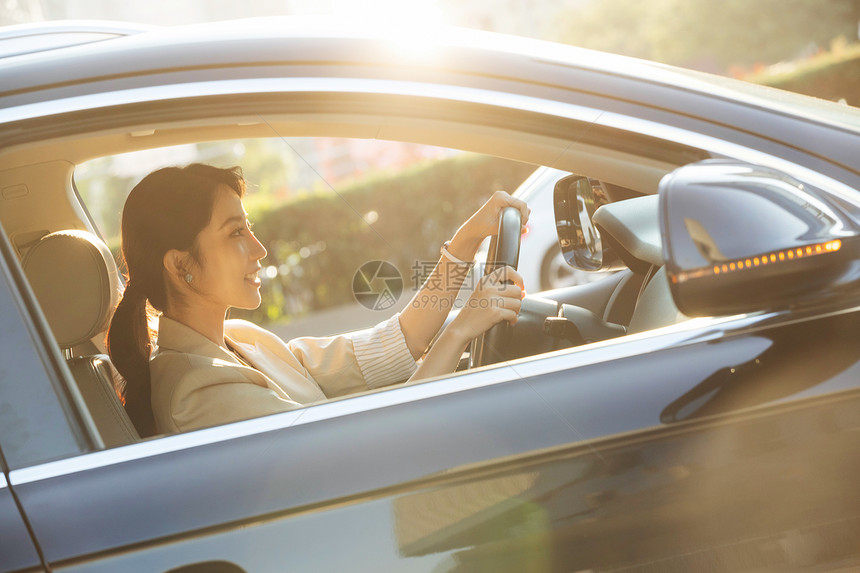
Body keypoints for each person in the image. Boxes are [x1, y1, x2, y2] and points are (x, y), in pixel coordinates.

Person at [107, 163, 528, 437]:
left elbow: (395, 344)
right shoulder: (196, 392)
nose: (259, 249)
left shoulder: (238, 339)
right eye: (236, 233)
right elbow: (373, 455)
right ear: (181, 264)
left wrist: (466, 240)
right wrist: (460, 331)